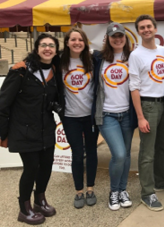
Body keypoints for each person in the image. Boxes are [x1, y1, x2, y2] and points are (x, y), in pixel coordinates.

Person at [0, 33, 62, 225]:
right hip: (24, 129)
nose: (47, 48)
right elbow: (3, 104)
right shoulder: (21, 70)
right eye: (43, 45)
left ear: (56, 50)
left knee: (46, 166)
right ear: (36, 48)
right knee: (31, 168)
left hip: (46, 129)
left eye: (51, 45)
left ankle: (40, 200)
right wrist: (3, 134)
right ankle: (24, 208)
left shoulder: (54, 70)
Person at [129, 15, 164, 211]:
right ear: (138, 31)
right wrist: (140, 116)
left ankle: (160, 180)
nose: (146, 30)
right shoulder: (136, 55)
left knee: (161, 148)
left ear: (155, 28)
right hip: (148, 106)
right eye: (142, 27)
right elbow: (134, 87)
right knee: (147, 152)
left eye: (149, 26)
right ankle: (147, 193)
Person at [92, 23, 135, 211]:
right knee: (118, 154)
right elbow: (70, 58)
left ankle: (122, 190)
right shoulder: (98, 58)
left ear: (125, 38)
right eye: (113, 36)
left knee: (125, 155)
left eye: (120, 36)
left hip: (127, 114)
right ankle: (113, 191)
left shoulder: (133, 57)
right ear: (107, 39)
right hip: (107, 114)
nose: (117, 39)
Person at [60, 28, 98, 209]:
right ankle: (79, 191)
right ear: (67, 42)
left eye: (80, 40)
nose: (77, 43)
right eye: (73, 39)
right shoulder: (59, 62)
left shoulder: (92, 60)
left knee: (91, 152)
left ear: (85, 43)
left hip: (90, 117)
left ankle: (90, 188)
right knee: (76, 154)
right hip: (70, 117)